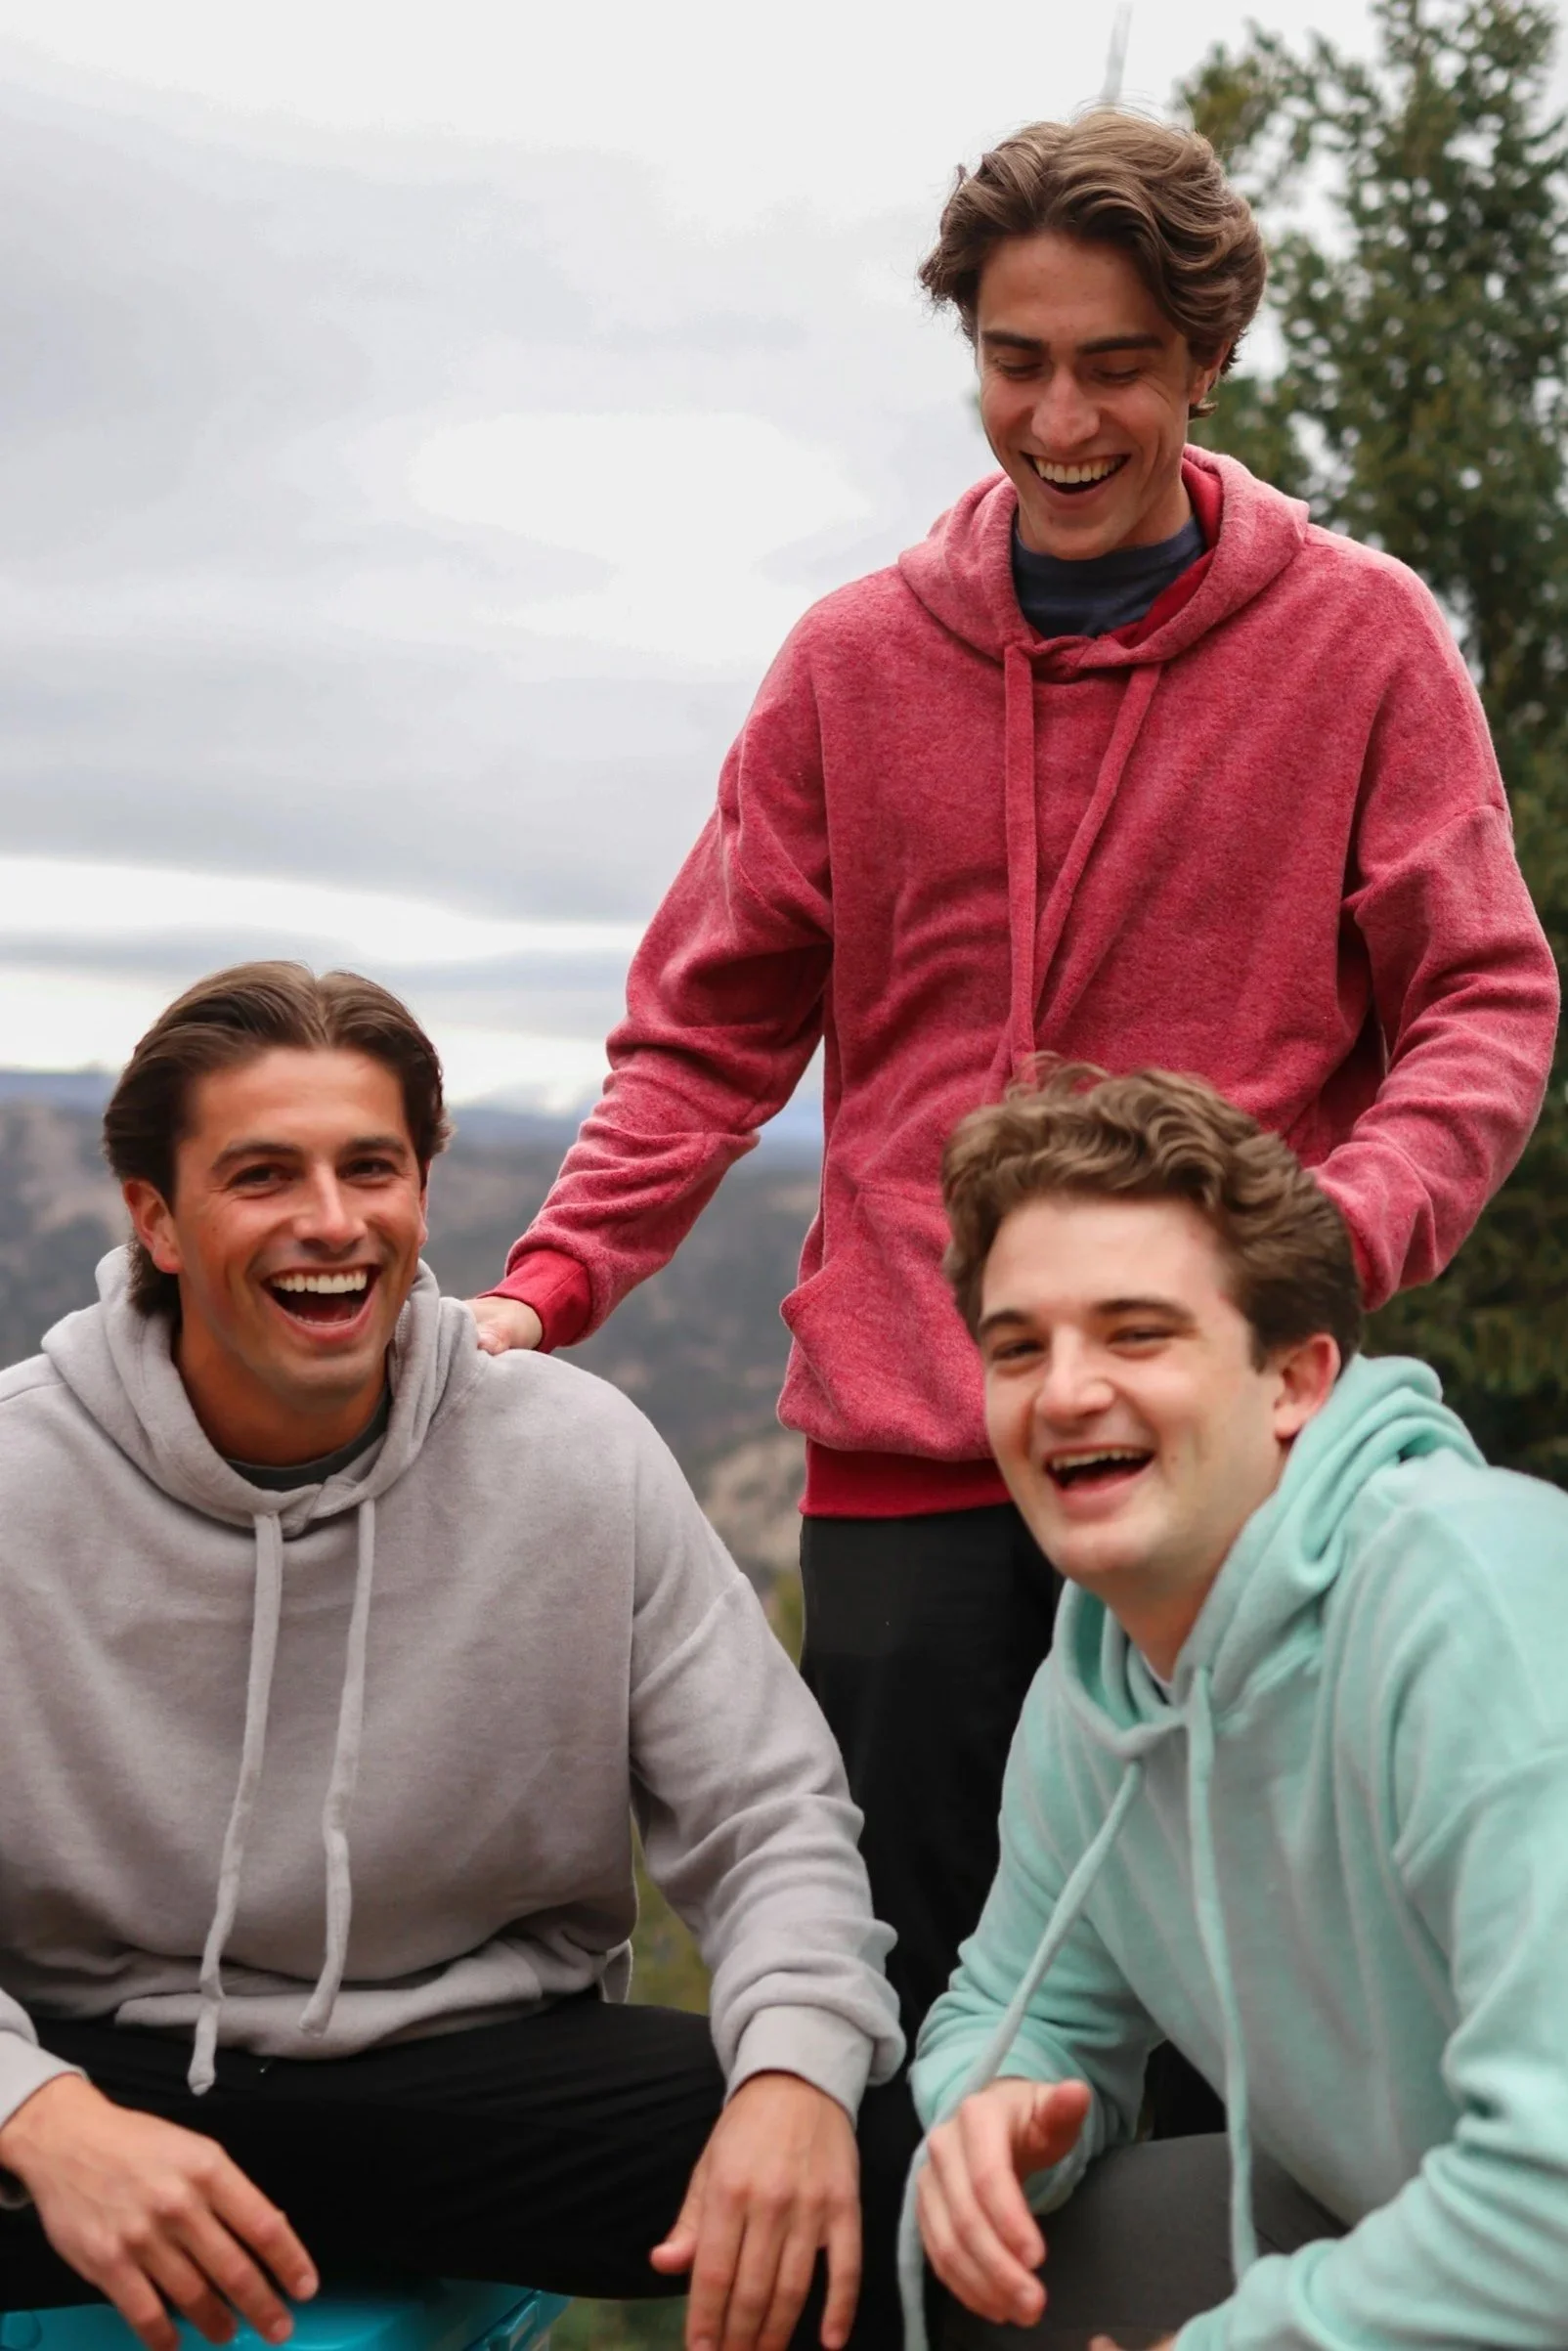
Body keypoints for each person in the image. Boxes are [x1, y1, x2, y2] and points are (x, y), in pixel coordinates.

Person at [466, 107, 1559, 2145]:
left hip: (1227, 1427)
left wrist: (1317, 1242)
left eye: (1113, 364)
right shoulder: (852, 665)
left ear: (1204, 357)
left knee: (1254, 2018)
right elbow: (703, 1034)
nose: (1058, 415)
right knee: (927, 2002)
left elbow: (1485, 998)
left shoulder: (1364, 640)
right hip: (908, 1438)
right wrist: (545, 1290)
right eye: (1014, 360)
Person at [0, 962, 903, 2351]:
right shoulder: (17, 1475)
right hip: (100, 2072)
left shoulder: (574, 1452)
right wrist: (40, 2118)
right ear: (155, 1222)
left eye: (373, 1167)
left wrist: (792, 2076)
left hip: (483, 2073)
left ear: (423, 1192)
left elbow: (768, 1813)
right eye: (261, 1175)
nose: (331, 1222)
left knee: (891, 2150)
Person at [906, 1060, 1568, 2350]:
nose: (1064, 1392)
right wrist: (989, 2116)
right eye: (1018, 1347)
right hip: (1415, 2225)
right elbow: (1014, 2001)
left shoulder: (1477, 1607)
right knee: (1007, 2260)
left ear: (1297, 1381)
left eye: (1137, 1332)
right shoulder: (1098, 1686)